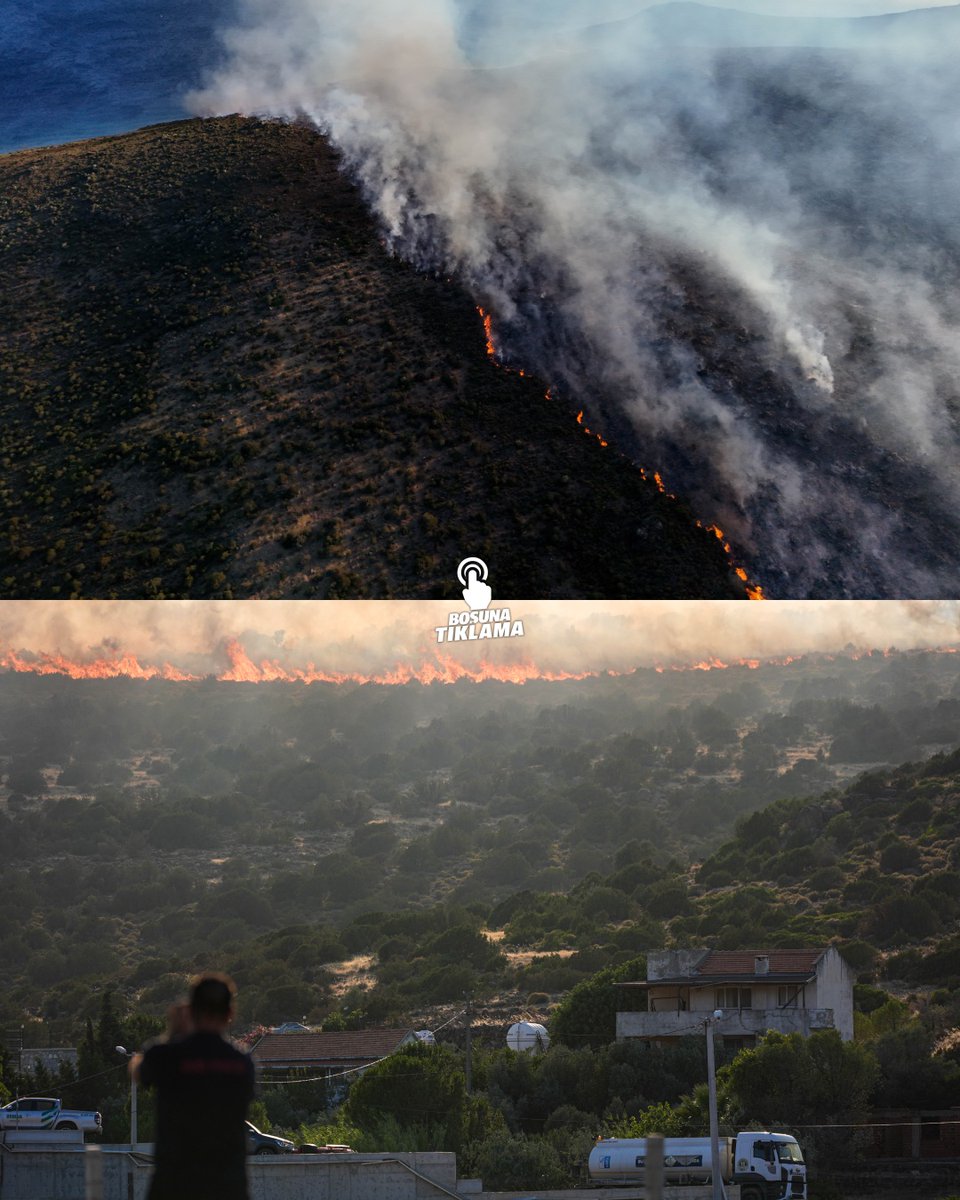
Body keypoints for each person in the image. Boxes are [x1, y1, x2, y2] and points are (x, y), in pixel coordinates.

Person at [133, 972, 255, 1200]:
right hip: (229, 1187)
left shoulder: (168, 1056)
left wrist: (173, 1035)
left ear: (190, 1011)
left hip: (173, 1186)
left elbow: (138, 1071)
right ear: (230, 1013)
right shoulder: (242, 1063)